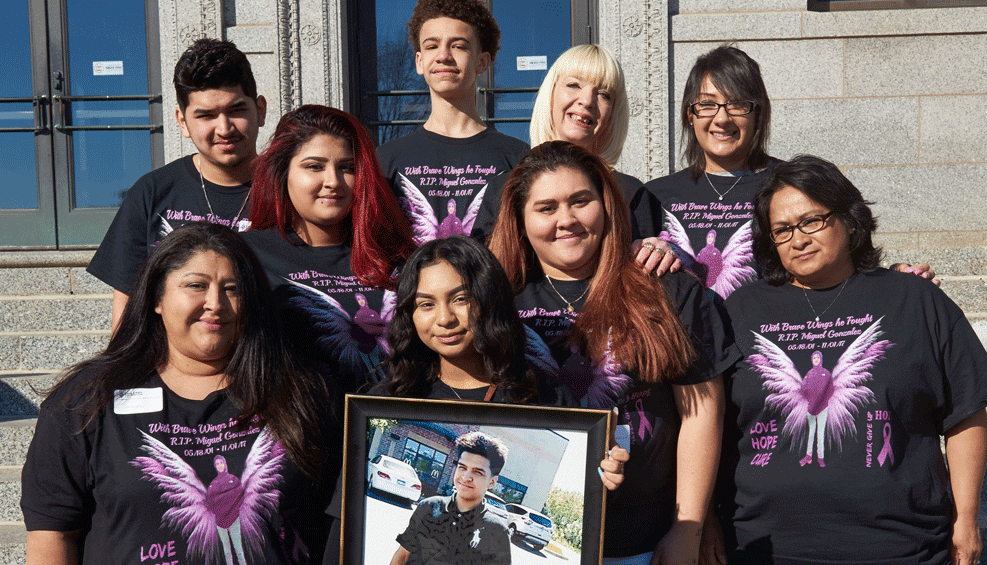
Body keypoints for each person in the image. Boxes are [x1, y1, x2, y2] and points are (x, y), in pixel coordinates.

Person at [712, 155, 987, 565]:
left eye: (812, 220)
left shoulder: (914, 300)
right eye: (782, 230)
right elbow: (707, 424)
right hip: (765, 548)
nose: (799, 239)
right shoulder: (739, 310)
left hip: (898, 548)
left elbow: (966, 413)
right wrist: (704, 519)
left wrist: (967, 517)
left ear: (848, 218)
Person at [21, 223, 335, 565]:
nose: (215, 303)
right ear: (157, 297)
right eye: (196, 286)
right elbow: (53, 533)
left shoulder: (299, 394)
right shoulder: (86, 400)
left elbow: (337, 520)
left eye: (232, 289)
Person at [488, 140, 739, 563]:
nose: (566, 220)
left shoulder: (665, 287)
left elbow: (701, 413)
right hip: (531, 541)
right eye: (546, 208)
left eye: (580, 201)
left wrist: (688, 527)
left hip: (644, 541)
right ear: (520, 220)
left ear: (606, 206)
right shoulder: (495, 297)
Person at [645, 45, 935, 297]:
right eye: (707, 105)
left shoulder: (792, 187)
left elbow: (847, 258)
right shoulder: (653, 196)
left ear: (758, 113)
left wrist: (896, 278)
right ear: (689, 114)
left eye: (737, 105)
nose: (722, 118)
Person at [88, 38, 267, 331]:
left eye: (236, 110)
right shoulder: (151, 193)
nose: (224, 128)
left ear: (259, 109)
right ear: (182, 122)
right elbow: (126, 311)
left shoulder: (290, 192)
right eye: (206, 115)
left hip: (264, 365)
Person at [242, 105, 415, 398]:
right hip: (296, 434)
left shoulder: (396, 255)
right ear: (282, 172)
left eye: (347, 168)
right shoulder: (247, 256)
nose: (333, 181)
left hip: (387, 430)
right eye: (315, 166)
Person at [473, 44, 676, 276]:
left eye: (604, 94)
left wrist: (662, 252)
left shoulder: (632, 194)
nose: (587, 101)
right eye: (573, 85)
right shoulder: (503, 188)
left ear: (613, 114)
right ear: (550, 94)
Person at [378, 0, 528, 244]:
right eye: (432, 46)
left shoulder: (517, 158)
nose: (443, 56)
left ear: (483, 62)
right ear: (419, 61)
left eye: (458, 46)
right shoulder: (386, 160)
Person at [373, 235, 561, 404]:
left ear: (490, 300)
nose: (445, 319)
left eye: (460, 299)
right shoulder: (388, 401)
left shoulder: (543, 395)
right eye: (426, 304)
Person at [389, 431, 512, 565]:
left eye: (477, 472)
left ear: (492, 482)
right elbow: (402, 556)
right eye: (462, 467)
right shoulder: (428, 507)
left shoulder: (497, 531)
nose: (466, 477)